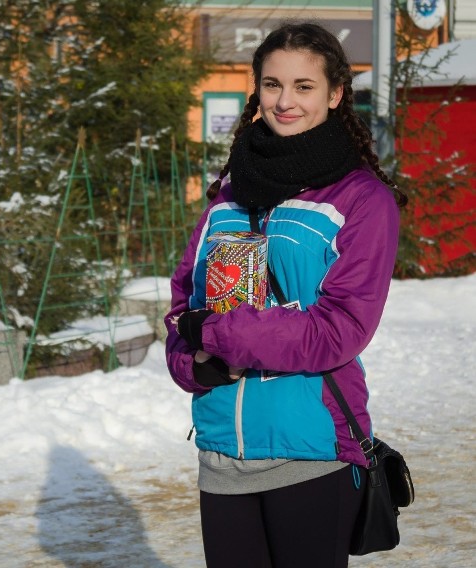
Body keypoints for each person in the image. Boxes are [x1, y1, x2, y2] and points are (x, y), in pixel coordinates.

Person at [164, 22, 407, 568]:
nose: (285, 100)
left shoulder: (361, 199)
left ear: (335, 93)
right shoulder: (228, 193)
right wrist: (192, 365)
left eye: (304, 86)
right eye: (273, 85)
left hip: (311, 449)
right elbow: (184, 303)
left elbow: (341, 328)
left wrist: (221, 335)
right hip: (223, 449)